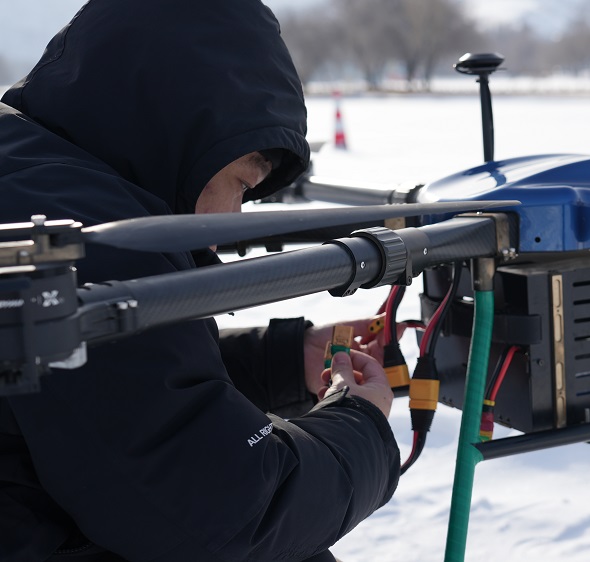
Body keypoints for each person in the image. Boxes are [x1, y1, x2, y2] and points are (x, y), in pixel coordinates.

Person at [0, 0, 400, 560]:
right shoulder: (93, 237)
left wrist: (282, 359)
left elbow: (91, 395)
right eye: (239, 183)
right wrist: (360, 425)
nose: (231, 221)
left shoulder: (26, 175)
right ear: (176, 131)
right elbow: (229, 513)